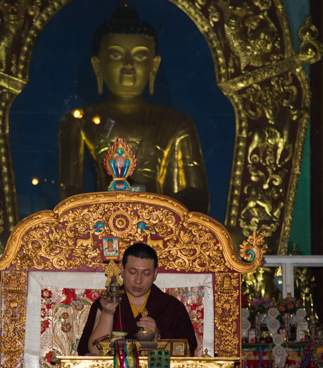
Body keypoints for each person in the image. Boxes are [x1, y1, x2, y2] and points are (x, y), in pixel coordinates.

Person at [58, 3, 210, 214]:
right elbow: (69, 193)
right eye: (116, 55)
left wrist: (154, 208)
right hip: (101, 225)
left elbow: (195, 196)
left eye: (139, 55)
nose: (128, 64)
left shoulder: (177, 123)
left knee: (235, 236)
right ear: (97, 66)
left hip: (159, 226)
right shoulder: (79, 122)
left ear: (153, 66)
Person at [77, 243, 197, 356]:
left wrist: (159, 335)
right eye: (133, 272)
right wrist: (107, 313)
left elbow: (187, 349)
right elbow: (92, 353)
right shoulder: (106, 303)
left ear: (155, 274)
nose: (138, 280)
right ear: (122, 270)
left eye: (146, 273)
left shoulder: (171, 307)